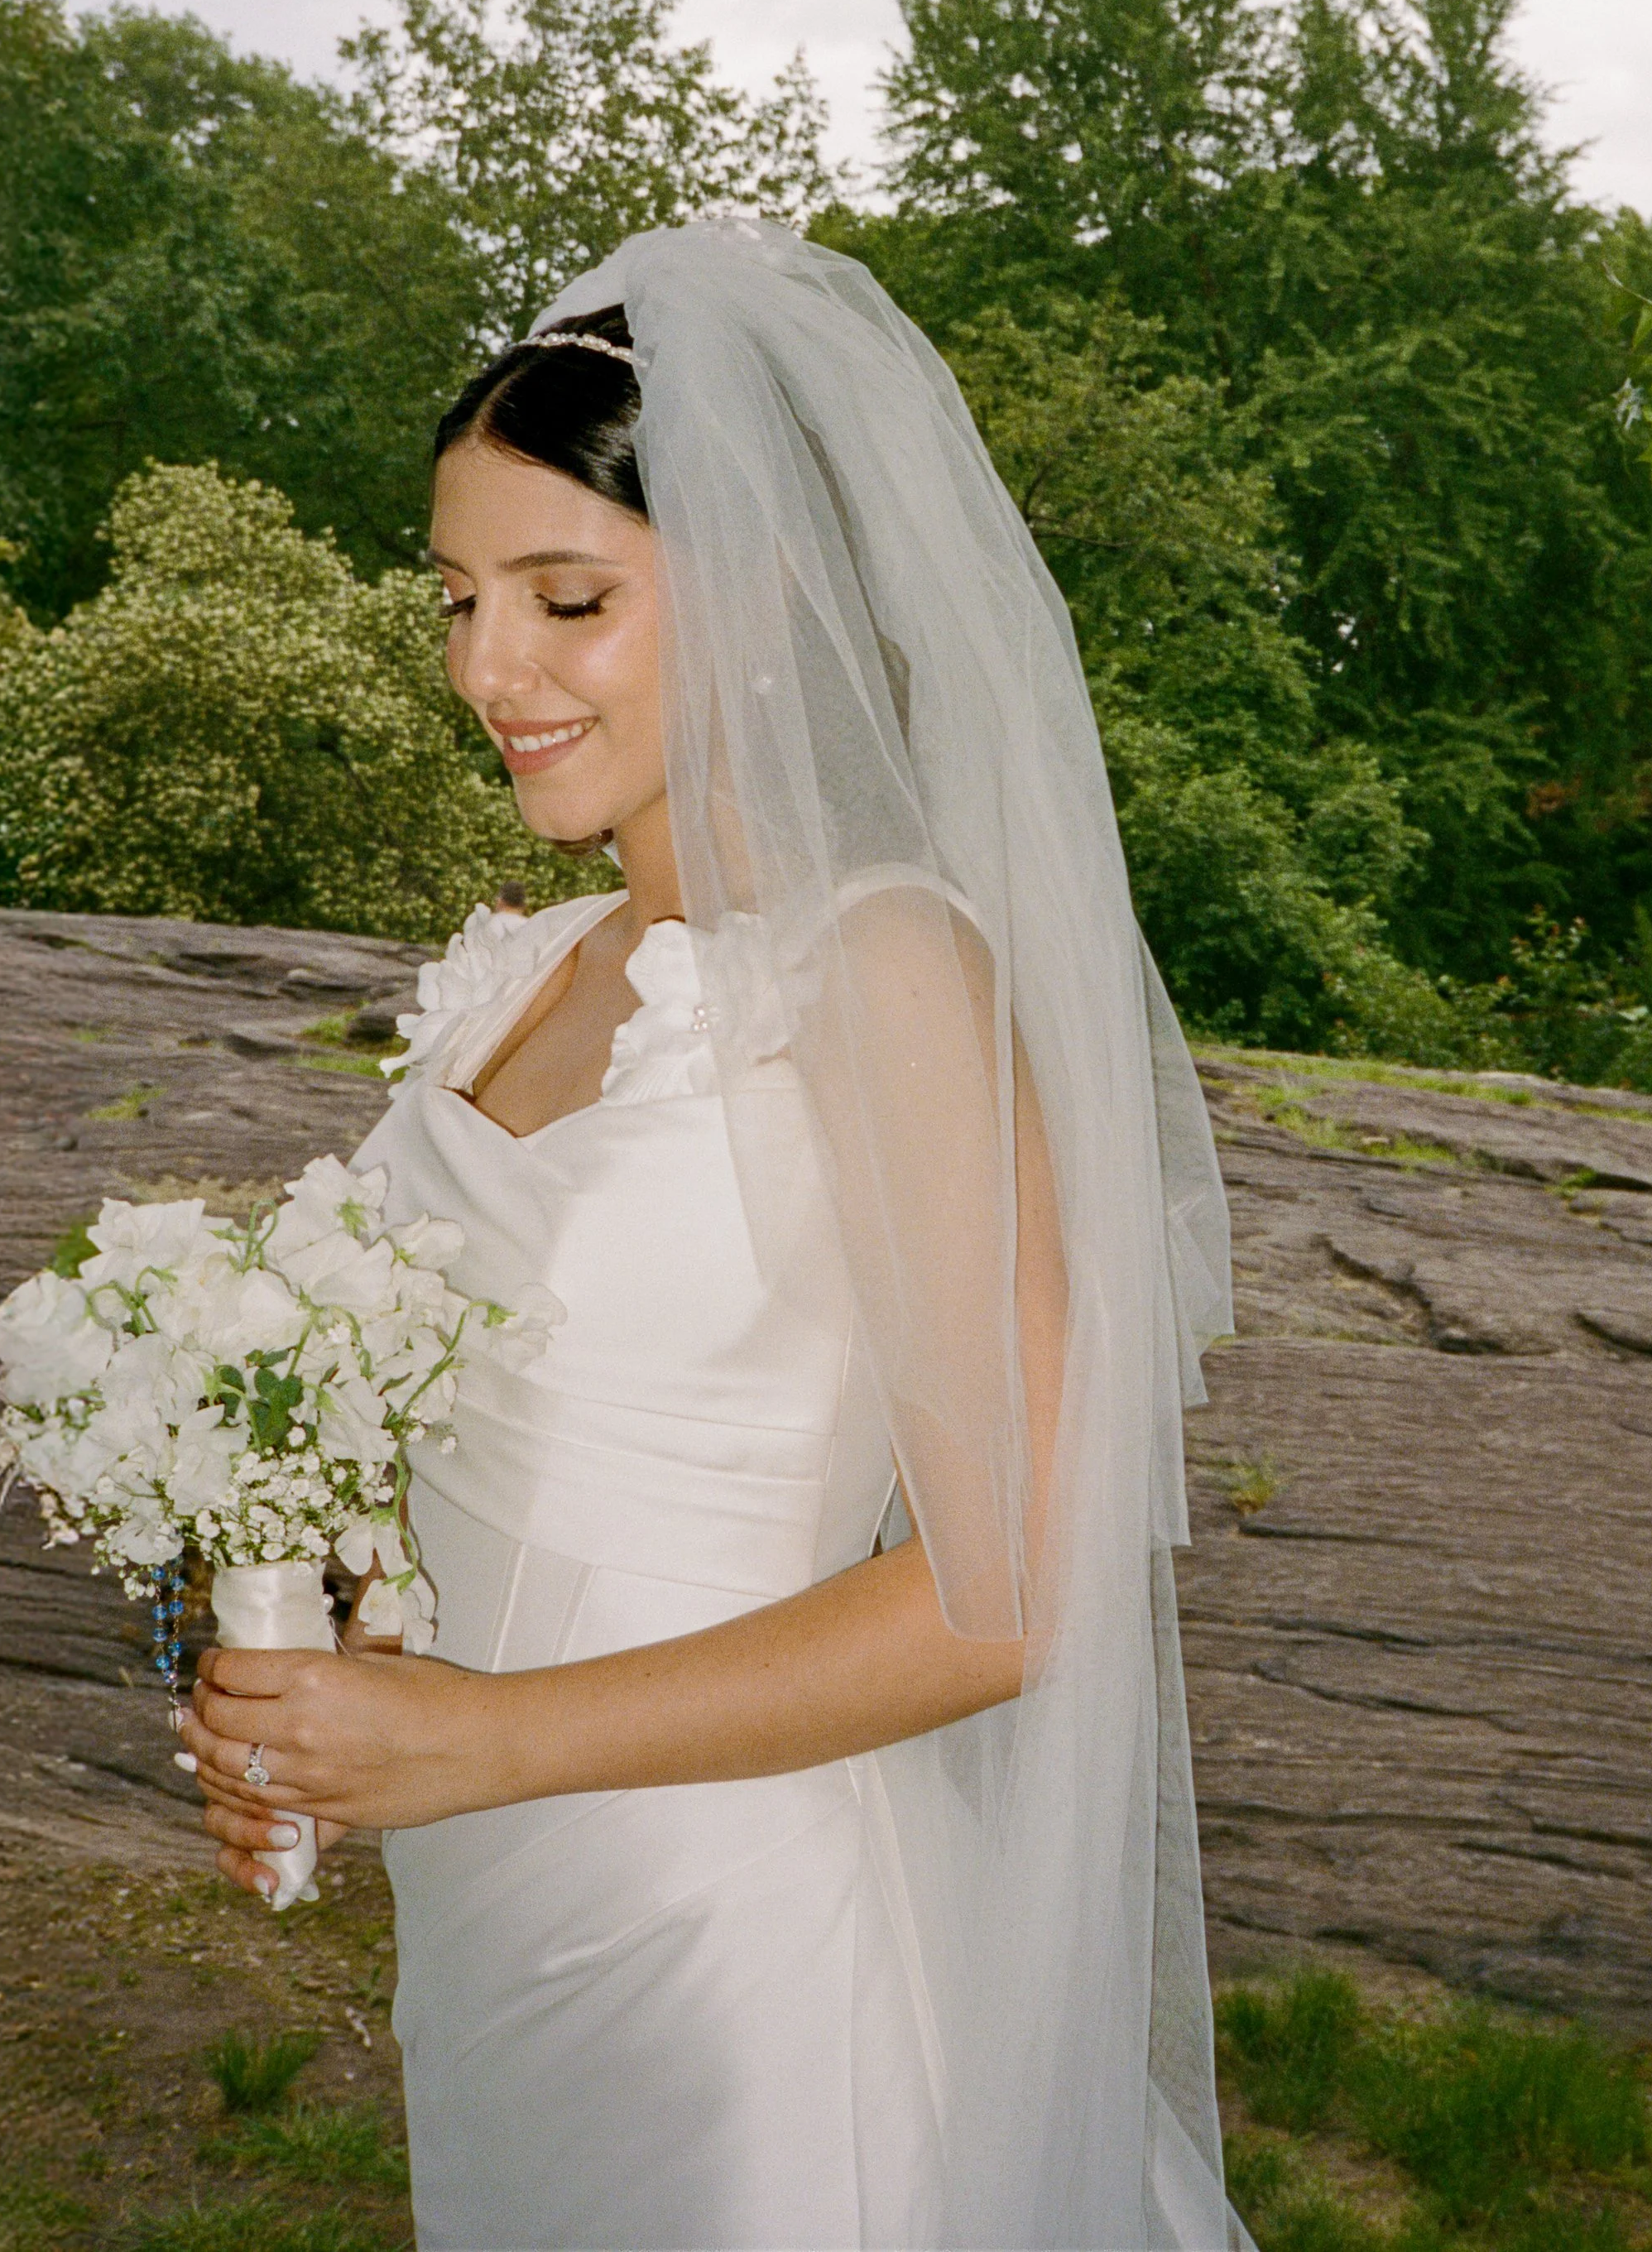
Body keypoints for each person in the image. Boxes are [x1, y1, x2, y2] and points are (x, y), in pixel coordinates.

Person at [178, 218, 1246, 2251]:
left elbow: (1005, 1594)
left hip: (738, 1948)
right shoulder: (528, 971)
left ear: (757, 593)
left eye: (566, 599)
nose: (490, 670)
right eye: (460, 599)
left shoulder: (885, 978)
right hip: (504, 1926)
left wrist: (483, 1741)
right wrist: (304, 1682)